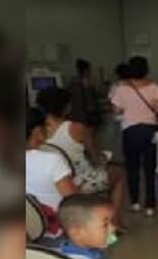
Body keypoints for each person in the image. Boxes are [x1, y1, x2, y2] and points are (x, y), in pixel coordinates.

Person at [36, 87, 127, 230]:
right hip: (77, 180)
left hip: (49, 180)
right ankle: (115, 222)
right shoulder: (75, 127)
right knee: (119, 173)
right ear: (66, 107)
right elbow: (95, 156)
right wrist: (104, 157)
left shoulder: (36, 130)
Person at [109, 56, 158, 217]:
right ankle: (150, 205)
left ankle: (135, 203)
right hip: (151, 130)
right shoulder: (156, 87)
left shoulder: (121, 88)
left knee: (132, 168)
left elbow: (116, 111)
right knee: (150, 168)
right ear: (146, 69)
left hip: (130, 132)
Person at [25, 107, 77, 238]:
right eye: (46, 125)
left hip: (27, 233)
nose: (48, 128)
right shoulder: (52, 160)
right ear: (36, 131)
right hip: (57, 231)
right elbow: (73, 202)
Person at [67, 58, 102, 129]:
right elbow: (94, 97)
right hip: (88, 114)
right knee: (90, 135)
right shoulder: (89, 82)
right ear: (86, 70)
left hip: (75, 114)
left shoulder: (72, 81)